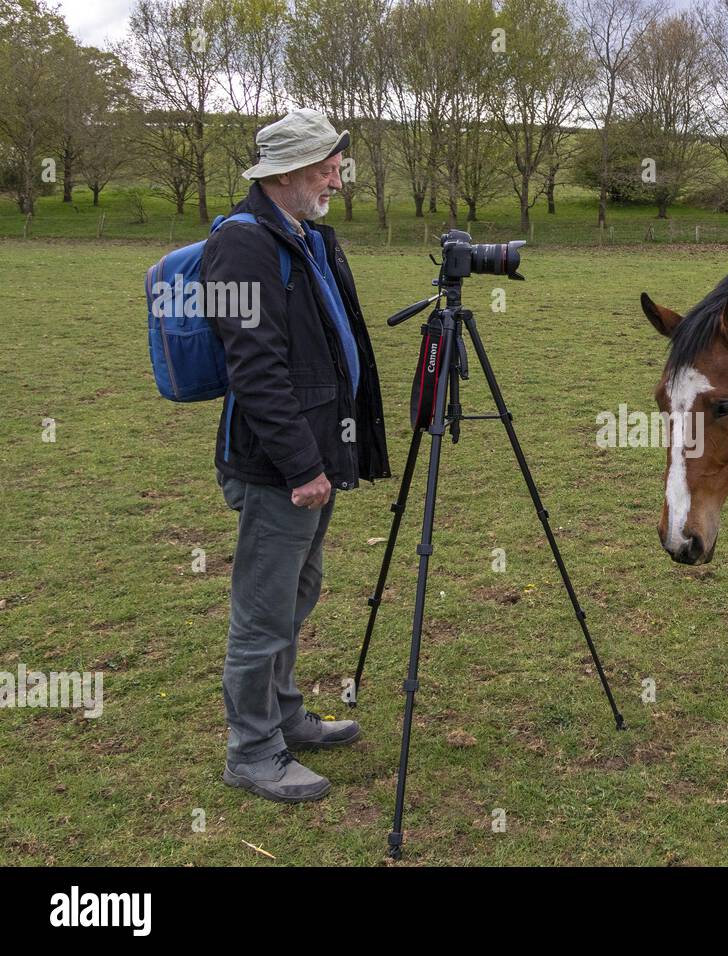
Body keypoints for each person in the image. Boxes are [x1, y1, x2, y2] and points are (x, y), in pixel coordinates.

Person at [202, 107, 390, 802]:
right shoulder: (241, 247)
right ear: (286, 173)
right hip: (279, 465)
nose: (337, 177)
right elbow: (255, 371)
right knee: (262, 609)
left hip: (317, 455)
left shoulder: (303, 236)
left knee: (295, 593)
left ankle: (283, 718)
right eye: (326, 165)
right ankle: (251, 752)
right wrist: (300, 466)